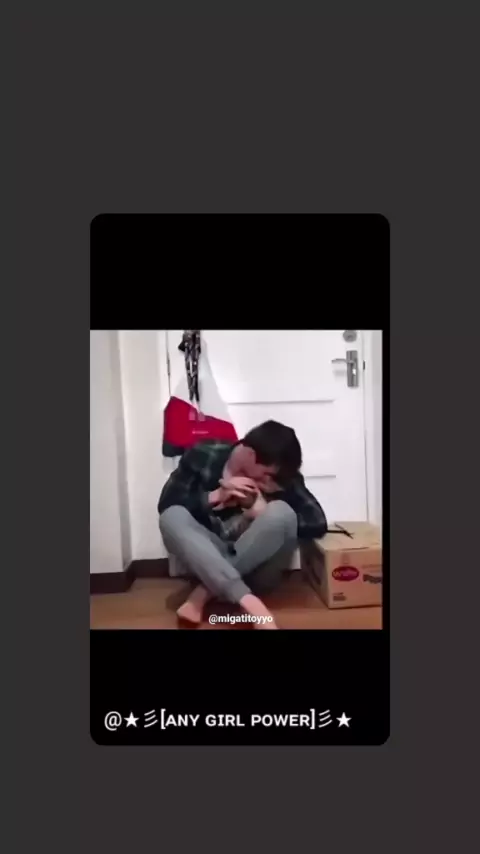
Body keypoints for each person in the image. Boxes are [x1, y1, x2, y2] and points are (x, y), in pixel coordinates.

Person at [158, 420, 327, 629]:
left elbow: (317, 520)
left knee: (281, 511)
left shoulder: (279, 476)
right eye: (267, 473)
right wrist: (213, 496)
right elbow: (167, 503)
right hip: (209, 559)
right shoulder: (203, 455)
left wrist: (263, 511)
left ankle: (203, 593)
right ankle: (249, 602)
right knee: (171, 516)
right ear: (250, 455)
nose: (269, 480)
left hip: (256, 573)